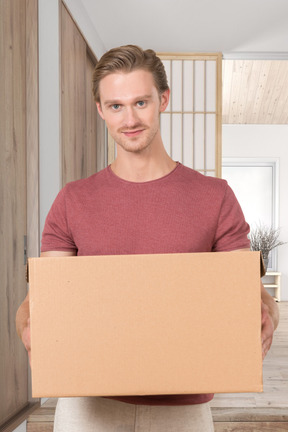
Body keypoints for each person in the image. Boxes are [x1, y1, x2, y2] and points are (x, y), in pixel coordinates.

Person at [16, 45, 279, 432]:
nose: (130, 119)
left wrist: (269, 316)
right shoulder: (73, 200)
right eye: (116, 106)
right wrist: (29, 327)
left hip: (183, 408)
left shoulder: (215, 196)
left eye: (141, 102)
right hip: (88, 406)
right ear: (100, 110)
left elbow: (248, 294)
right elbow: (43, 300)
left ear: (164, 100)